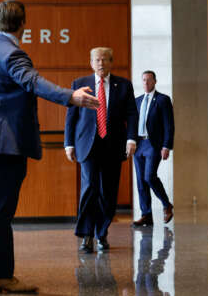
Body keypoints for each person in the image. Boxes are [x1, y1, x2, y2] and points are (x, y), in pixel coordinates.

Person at [0, 0, 100, 293]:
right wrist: (72, 97)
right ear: (22, 25)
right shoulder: (13, 54)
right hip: (6, 143)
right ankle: (1, 275)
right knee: (1, 211)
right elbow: (33, 82)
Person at [64, 47, 138, 253]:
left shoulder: (123, 85)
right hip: (88, 144)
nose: (101, 63)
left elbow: (131, 114)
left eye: (105, 60)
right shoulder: (80, 85)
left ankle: (101, 232)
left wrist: (131, 139)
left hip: (113, 144)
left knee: (109, 192)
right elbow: (72, 117)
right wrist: (68, 143)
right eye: (97, 60)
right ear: (91, 63)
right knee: (89, 188)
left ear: (111, 62)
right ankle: (87, 235)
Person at [131, 71, 174, 228]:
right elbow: (131, 124)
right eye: (144, 80)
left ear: (155, 81)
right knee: (141, 181)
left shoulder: (163, 100)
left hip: (153, 144)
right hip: (138, 144)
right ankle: (146, 215)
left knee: (149, 177)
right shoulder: (137, 101)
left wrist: (167, 146)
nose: (146, 83)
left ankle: (166, 204)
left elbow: (169, 125)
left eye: (149, 80)